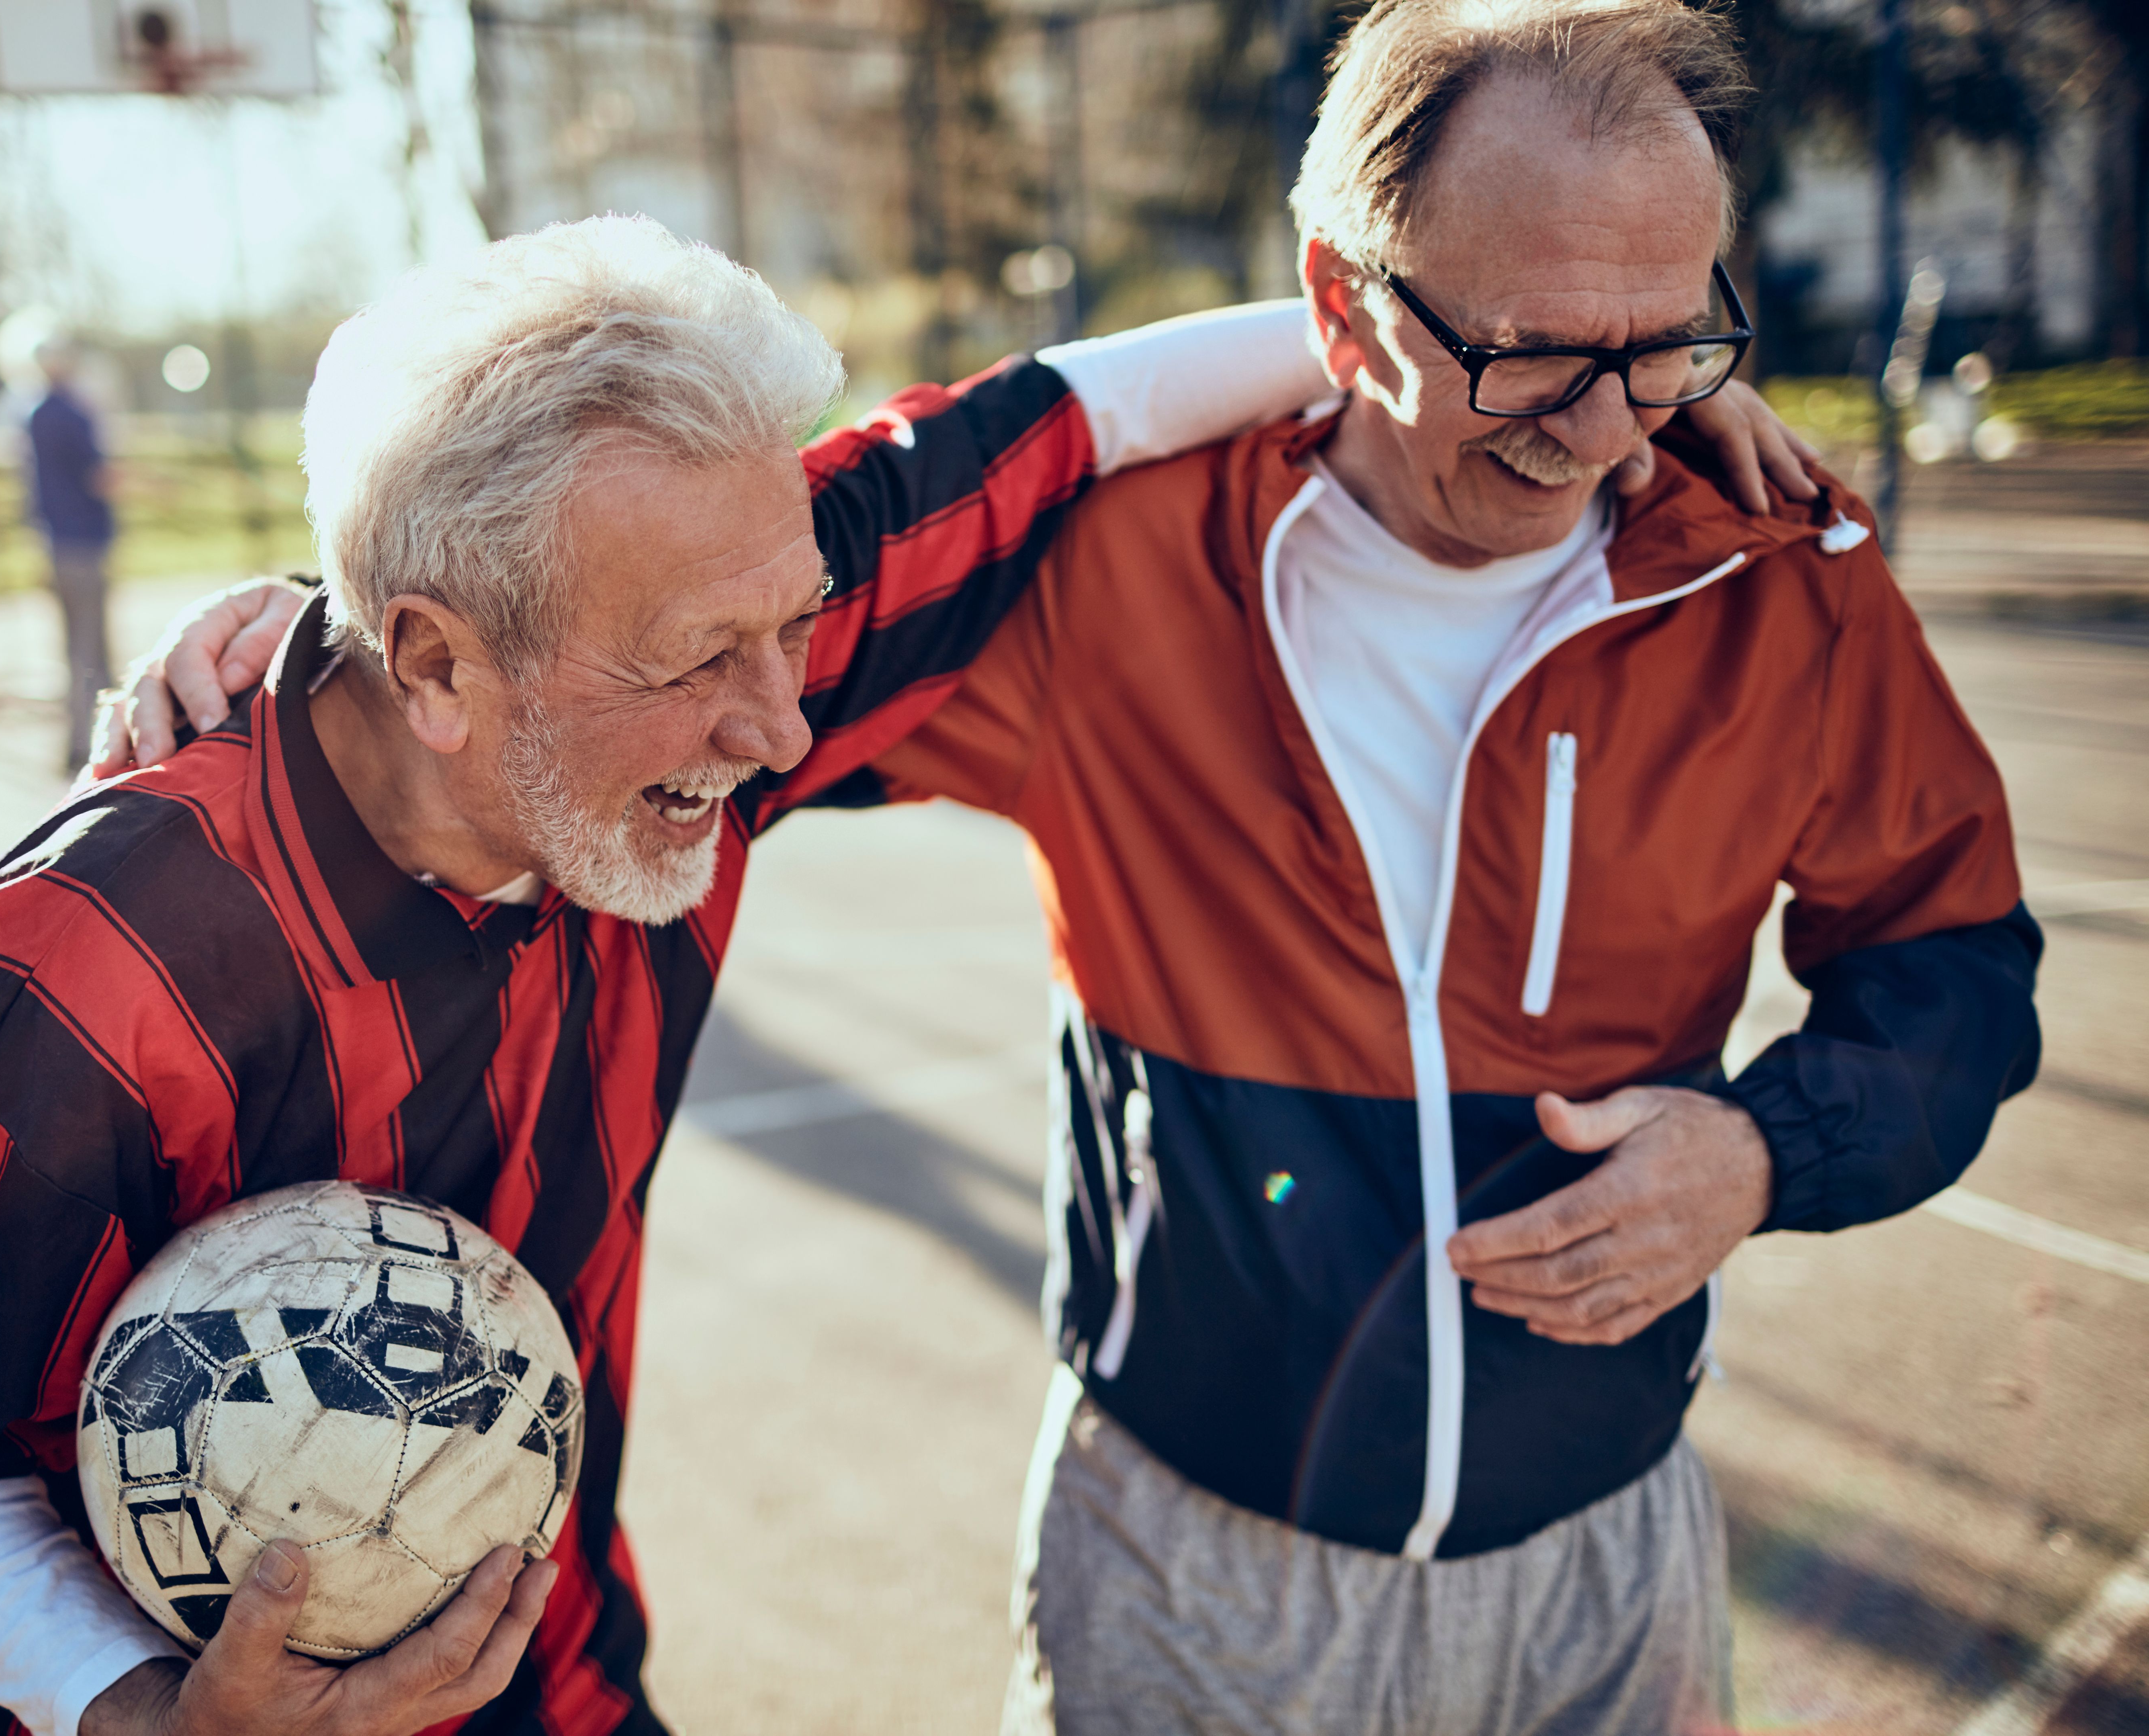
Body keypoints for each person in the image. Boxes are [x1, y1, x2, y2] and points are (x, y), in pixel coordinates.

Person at [125, 4, 2036, 1730]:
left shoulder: (1779, 579)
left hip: (1604, 1561)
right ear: (1345, 301)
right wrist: (360, 630)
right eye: (1534, 352)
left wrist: (1764, 1150)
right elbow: (665, 620)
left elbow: (1952, 966)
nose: (1605, 432)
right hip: (1186, 1578)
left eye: (1664, 343)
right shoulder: (1109, 569)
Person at [0, 216, 1460, 1736]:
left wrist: (1495, 350)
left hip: (558, 1691)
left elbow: (1068, 416)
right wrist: (136, 1708)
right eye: (705, 660)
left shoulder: (697, 606)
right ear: (433, 664)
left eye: (794, 624)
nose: (780, 723)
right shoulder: (89, 961)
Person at [25, 334, 116, 767]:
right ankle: (97, 742)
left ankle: (82, 738)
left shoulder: (35, 415)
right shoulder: (75, 415)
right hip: (84, 543)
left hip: (56, 543)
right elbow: (97, 476)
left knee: (74, 648)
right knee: (91, 648)